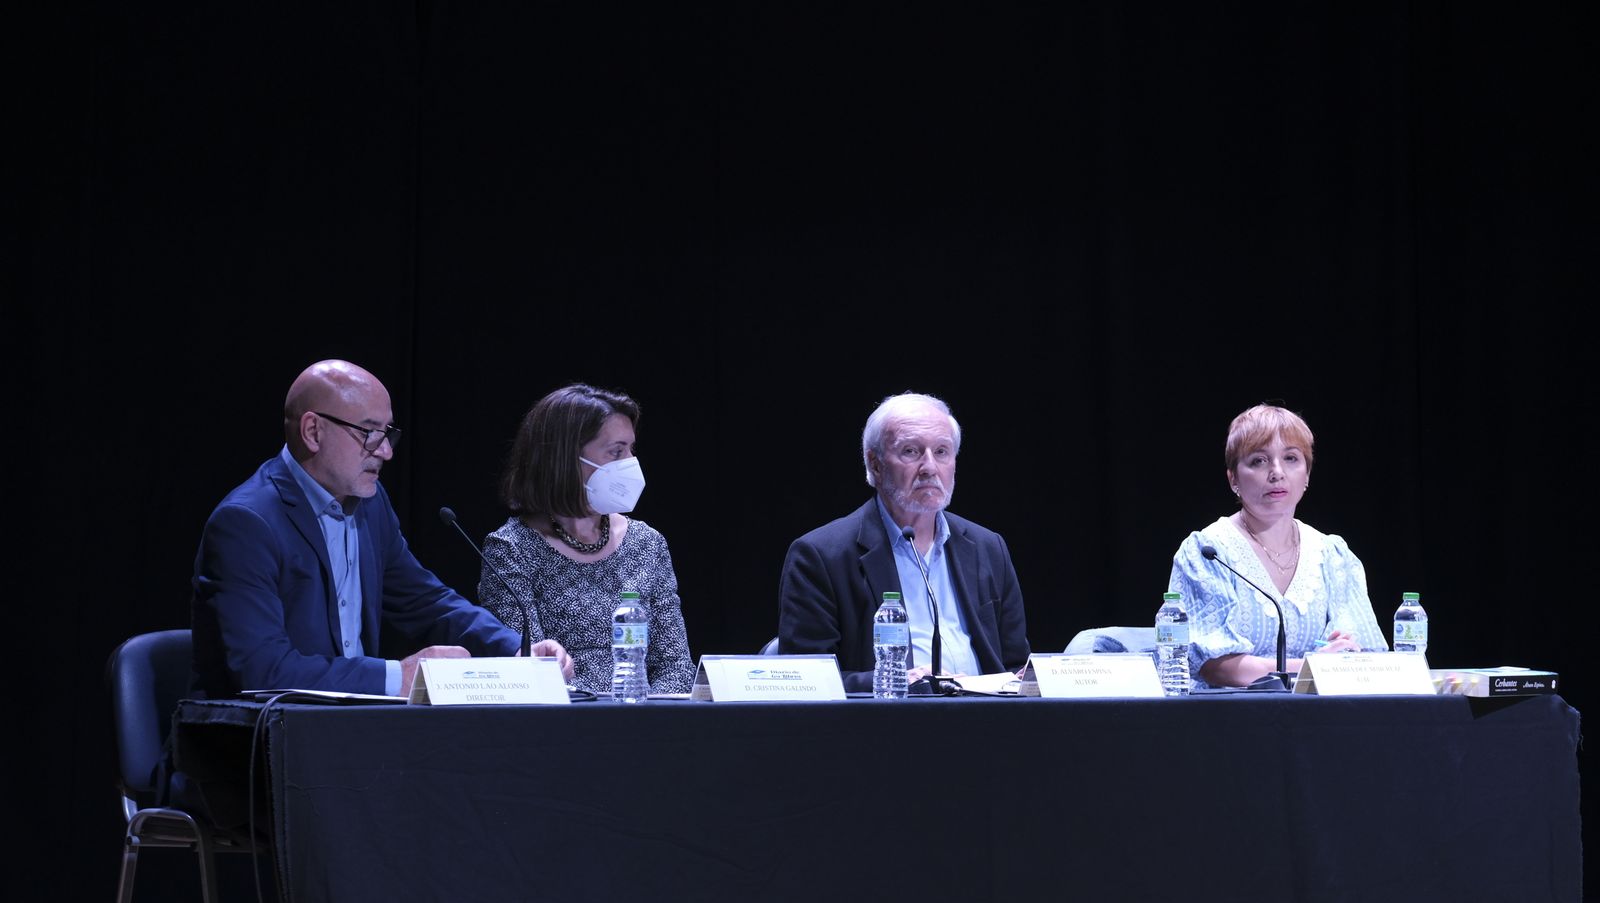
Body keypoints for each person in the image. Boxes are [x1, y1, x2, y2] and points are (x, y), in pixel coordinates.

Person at [190, 359, 573, 701]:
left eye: (388, 433)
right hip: (256, 746)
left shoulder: (370, 504)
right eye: (369, 432)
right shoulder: (247, 523)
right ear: (313, 431)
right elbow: (263, 671)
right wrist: (398, 676)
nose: (386, 451)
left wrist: (515, 650)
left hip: (351, 733)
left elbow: (424, 601)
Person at [778, 391, 1030, 693]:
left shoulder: (988, 548)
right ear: (876, 464)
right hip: (885, 729)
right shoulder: (821, 556)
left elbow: (1015, 665)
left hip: (988, 724)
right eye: (911, 451)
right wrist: (897, 681)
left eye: (941, 452)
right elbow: (805, 679)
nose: (929, 467)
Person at [479, 383, 695, 697]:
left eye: (631, 450)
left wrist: (652, 725)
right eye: (616, 451)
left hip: (645, 726)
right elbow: (531, 671)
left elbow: (675, 666)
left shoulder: (647, 543)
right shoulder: (511, 548)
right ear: (565, 458)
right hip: (562, 728)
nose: (630, 463)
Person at [1166, 403, 1388, 689]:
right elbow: (1219, 667)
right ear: (1233, 478)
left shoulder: (1333, 555)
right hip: (1227, 720)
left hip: (1321, 719)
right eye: (1259, 461)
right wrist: (1314, 665)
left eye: (1291, 458)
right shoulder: (1208, 552)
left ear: (1307, 474)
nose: (1277, 472)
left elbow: (1363, 656)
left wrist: (1345, 653)